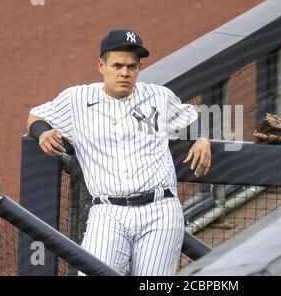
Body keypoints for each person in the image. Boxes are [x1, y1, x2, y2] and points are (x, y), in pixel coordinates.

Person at [26, 28, 211, 275]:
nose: (125, 73)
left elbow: (190, 117)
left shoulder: (158, 97)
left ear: (139, 68)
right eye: (117, 65)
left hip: (160, 210)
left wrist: (202, 138)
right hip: (108, 212)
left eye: (132, 67)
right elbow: (35, 115)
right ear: (101, 65)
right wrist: (43, 133)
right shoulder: (77, 100)